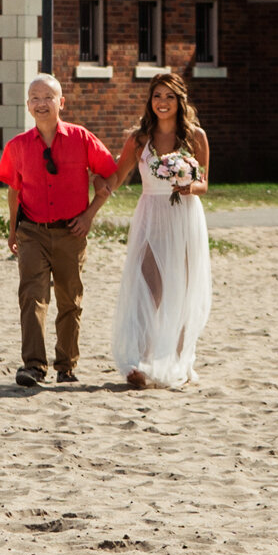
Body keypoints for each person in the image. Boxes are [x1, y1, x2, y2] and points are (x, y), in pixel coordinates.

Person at [0, 73, 117, 387]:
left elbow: (109, 177)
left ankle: (66, 367)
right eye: (35, 98)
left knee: (70, 300)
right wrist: (13, 231)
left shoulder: (82, 138)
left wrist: (90, 215)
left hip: (71, 233)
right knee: (32, 296)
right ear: (27, 105)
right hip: (32, 232)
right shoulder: (18, 146)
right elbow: (14, 190)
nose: (41, 103)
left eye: (47, 97)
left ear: (60, 102)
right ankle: (33, 366)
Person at [108, 70, 213, 390]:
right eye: (157, 96)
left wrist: (188, 186)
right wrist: (91, 193)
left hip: (184, 216)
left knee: (181, 290)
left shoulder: (196, 136)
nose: (162, 102)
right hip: (150, 215)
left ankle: (178, 360)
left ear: (179, 101)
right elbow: (117, 176)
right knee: (150, 289)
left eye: (169, 96)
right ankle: (142, 358)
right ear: (150, 101)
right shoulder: (139, 139)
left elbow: (205, 183)